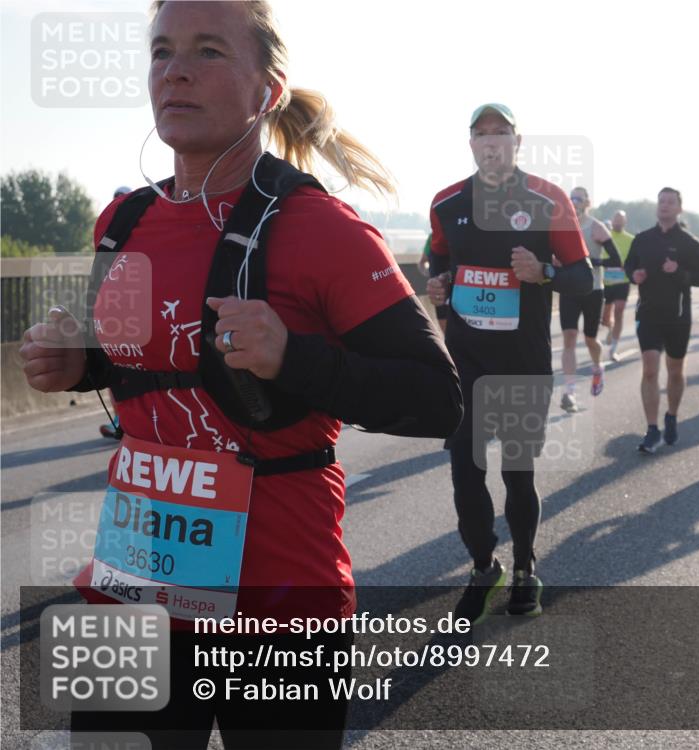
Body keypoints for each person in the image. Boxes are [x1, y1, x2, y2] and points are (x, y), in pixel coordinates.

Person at [19, 2, 461, 748]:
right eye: (161, 51)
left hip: (282, 602)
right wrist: (74, 364)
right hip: (130, 586)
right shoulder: (121, 222)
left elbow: (437, 398)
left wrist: (295, 356)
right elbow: (144, 353)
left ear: (269, 90)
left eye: (208, 51)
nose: (176, 70)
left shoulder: (323, 229)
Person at [427, 103, 591, 622]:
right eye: (481, 133)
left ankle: (525, 568)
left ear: (518, 142)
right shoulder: (447, 202)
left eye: (501, 133)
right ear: (471, 143)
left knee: (518, 473)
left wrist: (543, 271)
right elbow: (440, 261)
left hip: (522, 361)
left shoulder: (548, 199)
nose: (491, 141)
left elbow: (585, 280)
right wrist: (439, 289)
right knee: (465, 471)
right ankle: (483, 566)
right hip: (466, 363)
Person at [625, 188, 699, 453]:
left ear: (679, 208)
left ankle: (671, 416)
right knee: (650, 369)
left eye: (670, 202)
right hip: (648, 314)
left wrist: (681, 273)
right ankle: (652, 430)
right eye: (661, 201)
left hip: (678, 317)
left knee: (675, 371)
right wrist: (635, 275)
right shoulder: (642, 239)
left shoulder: (690, 243)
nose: (664, 205)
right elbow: (629, 266)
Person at [558, 187, 622, 411]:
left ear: (586, 202)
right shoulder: (562, 225)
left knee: (589, 339)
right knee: (569, 337)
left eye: (578, 198)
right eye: (570, 198)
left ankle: (597, 366)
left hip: (593, 289)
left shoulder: (596, 226)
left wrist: (595, 262)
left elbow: (615, 258)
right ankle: (570, 391)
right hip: (568, 289)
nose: (573, 201)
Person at [97, 186, 134, 439]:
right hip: (120, 309)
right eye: (115, 200)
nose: (117, 204)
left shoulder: (140, 222)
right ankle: (122, 418)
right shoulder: (112, 229)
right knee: (114, 371)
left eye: (121, 200)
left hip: (138, 309)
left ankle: (126, 419)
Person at [602, 209, 634, 362]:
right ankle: (610, 326)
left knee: (620, 311)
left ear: (625, 222)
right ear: (612, 221)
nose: (618, 222)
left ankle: (613, 349)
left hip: (623, 281)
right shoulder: (605, 237)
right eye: (616, 219)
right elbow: (599, 257)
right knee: (605, 318)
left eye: (621, 220)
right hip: (606, 282)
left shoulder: (630, 239)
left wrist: (626, 266)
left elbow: (634, 260)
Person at [418, 233, 448, 333]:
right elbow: (422, 262)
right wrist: (429, 274)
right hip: (438, 293)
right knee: (446, 334)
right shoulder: (432, 237)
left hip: (457, 291)